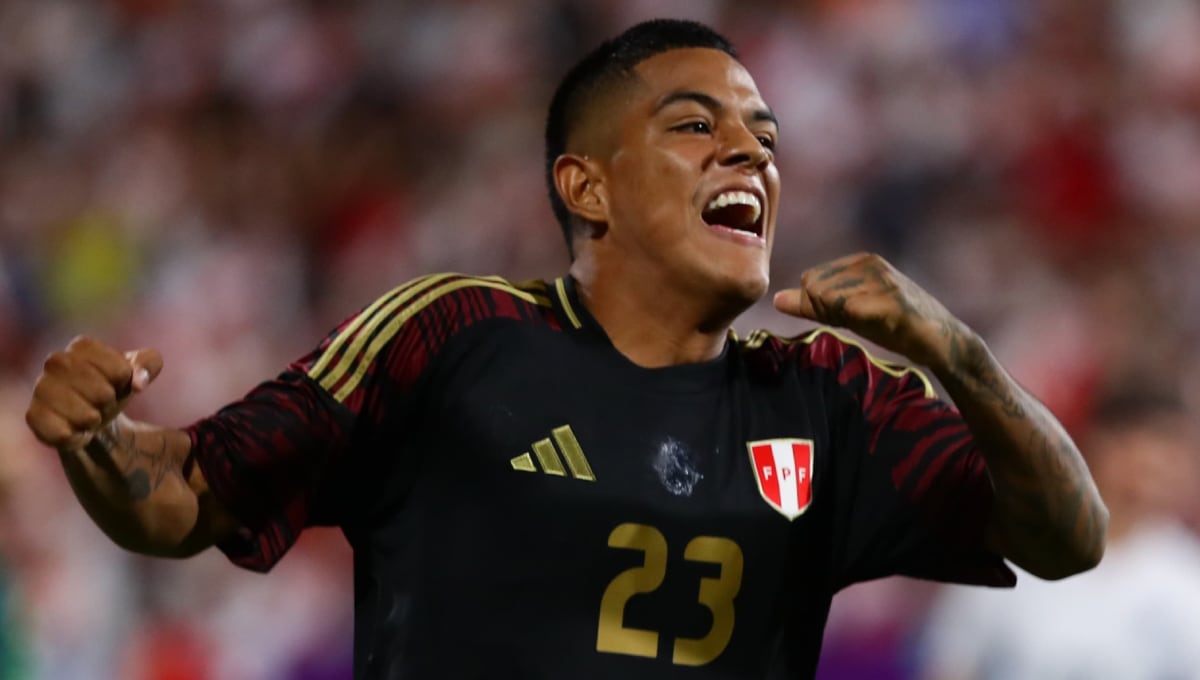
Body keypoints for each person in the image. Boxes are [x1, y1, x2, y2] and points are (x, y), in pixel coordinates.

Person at [24, 19, 1106, 679]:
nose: (750, 152)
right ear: (586, 185)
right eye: (697, 125)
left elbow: (1067, 538)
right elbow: (183, 498)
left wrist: (961, 356)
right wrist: (99, 436)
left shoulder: (830, 397)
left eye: (766, 138)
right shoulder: (454, 336)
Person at [917, 388, 1200, 680]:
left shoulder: (1184, 575)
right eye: (1146, 458)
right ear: (1102, 445)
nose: (1156, 473)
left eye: (1169, 460)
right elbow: (951, 661)